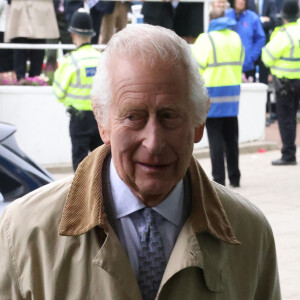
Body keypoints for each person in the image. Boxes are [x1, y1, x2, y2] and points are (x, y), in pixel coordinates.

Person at [0, 24, 280, 299]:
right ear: (102, 122)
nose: (154, 142)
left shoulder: (251, 235)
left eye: (169, 116)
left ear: (199, 123)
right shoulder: (24, 233)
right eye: (134, 117)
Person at [192, 9, 244, 187]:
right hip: (233, 94)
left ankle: (219, 180)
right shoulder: (236, 37)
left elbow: (195, 67)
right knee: (232, 138)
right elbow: (242, 60)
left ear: (210, 21)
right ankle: (235, 177)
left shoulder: (206, 39)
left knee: (215, 140)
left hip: (213, 95)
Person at [53, 8, 103, 171]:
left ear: (73, 35)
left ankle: (81, 195)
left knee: (80, 163)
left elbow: (59, 93)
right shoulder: (102, 59)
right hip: (101, 118)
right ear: (91, 34)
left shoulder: (70, 62)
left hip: (79, 120)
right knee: (101, 161)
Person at [262, 0, 300, 165]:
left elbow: (266, 57)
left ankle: (288, 154)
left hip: (285, 84)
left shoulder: (284, 35)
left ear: (284, 17)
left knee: (286, 120)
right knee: (293, 118)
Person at [5, 0, 59, 80]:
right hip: (22, 9)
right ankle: (23, 80)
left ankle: (34, 81)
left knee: (36, 51)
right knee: (21, 50)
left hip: (39, 10)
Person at [226, 0, 265, 80]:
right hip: (228, 66)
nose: (241, 1)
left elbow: (260, 38)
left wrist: (252, 56)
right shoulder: (226, 15)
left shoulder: (253, 17)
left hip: (248, 66)